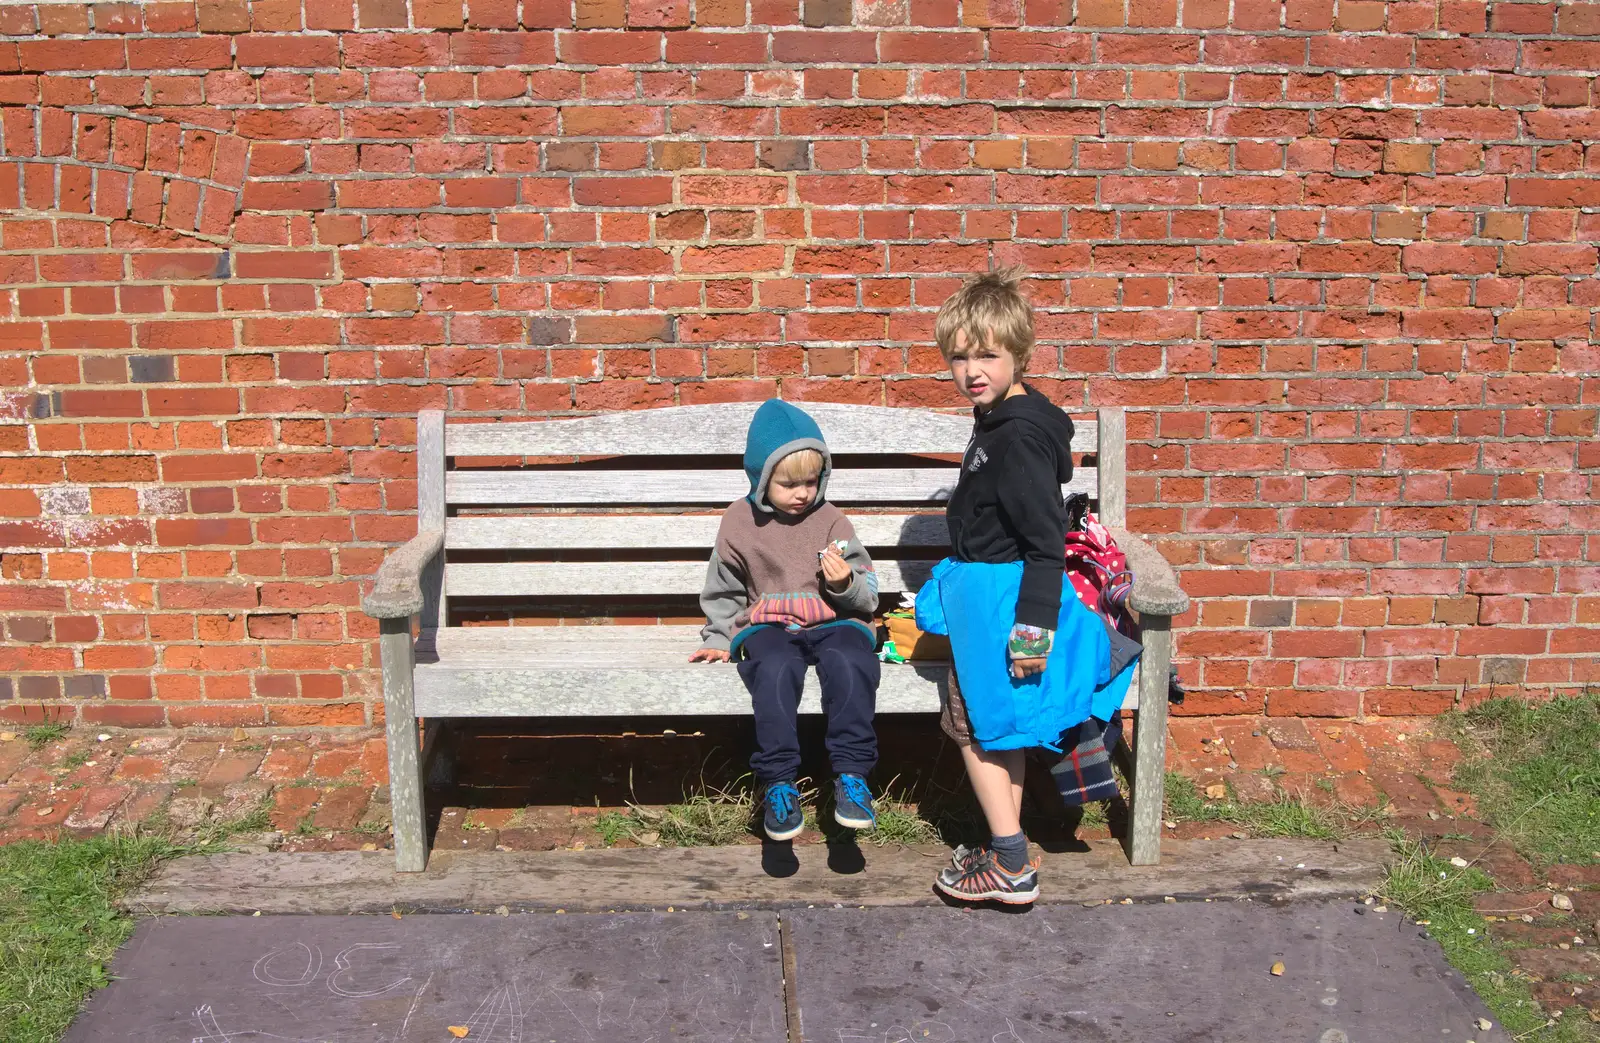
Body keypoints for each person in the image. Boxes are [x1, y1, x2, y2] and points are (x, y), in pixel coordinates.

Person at [925, 267, 1077, 906]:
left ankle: (1011, 864)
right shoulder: (1003, 419)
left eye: (986, 354)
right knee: (999, 725)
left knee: (972, 724)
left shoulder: (1015, 438)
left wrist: (1032, 628)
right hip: (990, 597)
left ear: (1019, 353)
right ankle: (1004, 841)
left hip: (1002, 607)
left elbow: (1047, 544)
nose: (971, 370)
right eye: (958, 357)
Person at [691, 399, 882, 842]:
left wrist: (844, 582)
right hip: (770, 623)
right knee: (774, 669)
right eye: (788, 484)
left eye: (811, 482)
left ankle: (852, 777)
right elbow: (724, 587)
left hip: (833, 621)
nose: (802, 494)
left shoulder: (831, 520)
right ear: (761, 478)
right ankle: (778, 782)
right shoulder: (739, 521)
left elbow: (868, 594)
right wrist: (720, 637)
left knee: (850, 662)